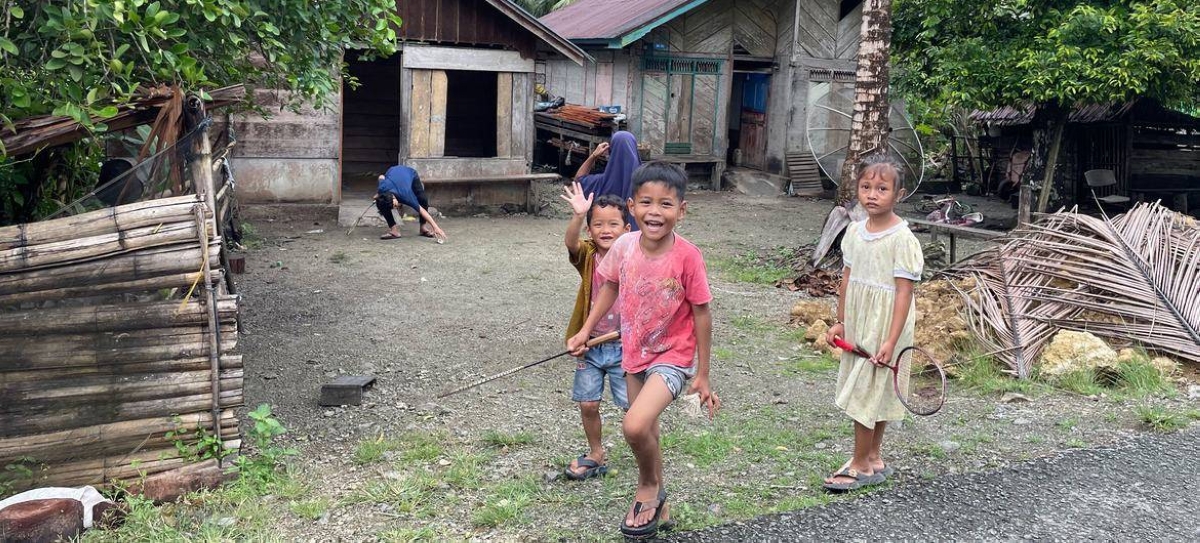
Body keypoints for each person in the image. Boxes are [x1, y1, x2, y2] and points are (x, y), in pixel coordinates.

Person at [567, 162, 720, 539]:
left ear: (681, 211)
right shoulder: (622, 247)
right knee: (646, 431)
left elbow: (702, 312)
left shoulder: (688, 257)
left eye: (666, 204)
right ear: (633, 207)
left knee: (633, 425)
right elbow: (610, 288)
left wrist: (702, 373)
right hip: (633, 354)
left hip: (673, 357)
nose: (655, 212)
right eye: (647, 203)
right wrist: (586, 330)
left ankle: (648, 488)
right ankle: (660, 504)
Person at [823, 153, 924, 492]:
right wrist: (840, 322)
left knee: (867, 392)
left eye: (882, 188)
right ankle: (873, 458)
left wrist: (891, 341)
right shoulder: (854, 232)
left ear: (900, 194)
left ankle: (859, 462)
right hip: (859, 320)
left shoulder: (903, 239)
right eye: (866, 187)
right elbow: (847, 280)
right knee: (870, 390)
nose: (872, 194)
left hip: (887, 326)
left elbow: (903, 294)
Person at [560, 182, 631, 481]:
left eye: (613, 224)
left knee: (633, 407)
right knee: (588, 403)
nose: (606, 230)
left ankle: (645, 452)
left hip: (624, 346)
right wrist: (578, 216)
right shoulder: (588, 255)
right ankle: (596, 452)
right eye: (598, 224)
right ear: (591, 231)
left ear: (626, 229)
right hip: (589, 345)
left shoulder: (633, 256)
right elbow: (570, 243)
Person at [575, 131, 641, 230]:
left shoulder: (601, 182)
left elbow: (578, 180)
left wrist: (594, 156)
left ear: (612, 152)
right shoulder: (647, 181)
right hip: (639, 241)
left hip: (608, 241)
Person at [375, 165, 447, 241]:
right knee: (381, 203)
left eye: (395, 206)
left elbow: (422, 211)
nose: (396, 207)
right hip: (393, 171)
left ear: (395, 199)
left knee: (423, 199)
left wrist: (436, 228)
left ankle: (423, 228)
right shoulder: (382, 188)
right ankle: (394, 231)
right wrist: (378, 196)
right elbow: (381, 177)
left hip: (409, 173)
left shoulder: (406, 195)